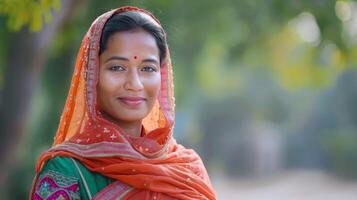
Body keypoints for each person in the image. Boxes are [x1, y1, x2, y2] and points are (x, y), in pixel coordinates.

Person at [30, 6, 216, 200]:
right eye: (117, 67)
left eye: (147, 68)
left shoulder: (187, 170)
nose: (135, 84)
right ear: (92, 75)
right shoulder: (67, 172)